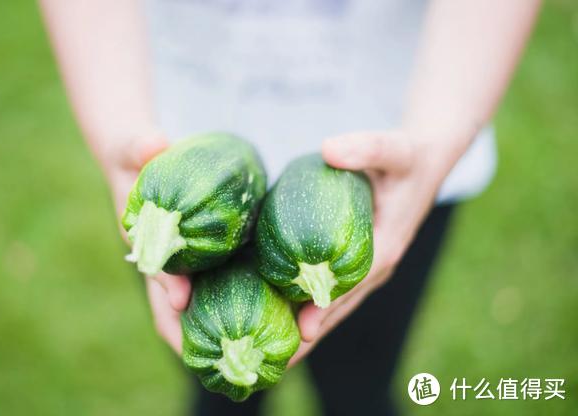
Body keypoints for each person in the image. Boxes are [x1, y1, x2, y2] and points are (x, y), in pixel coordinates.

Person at [39, 0, 540, 414]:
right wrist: (116, 131)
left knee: (360, 385)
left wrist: (436, 144)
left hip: (403, 150)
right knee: (219, 392)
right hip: (178, 144)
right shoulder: (164, 202)